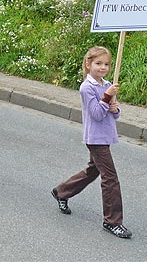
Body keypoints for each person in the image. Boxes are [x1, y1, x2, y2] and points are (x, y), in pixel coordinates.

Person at [51, 46, 131, 238]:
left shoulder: (107, 84)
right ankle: (112, 221)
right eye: (98, 63)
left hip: (106, 135)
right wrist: (106, 96)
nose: (102, 67)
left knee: (93, 170)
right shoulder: (86, 88)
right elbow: (95, 114)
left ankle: (61, 192)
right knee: (110, 178)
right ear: (88, 65)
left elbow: (114, 112)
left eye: (106, 64)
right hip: (95, 138)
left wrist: (115, 108)